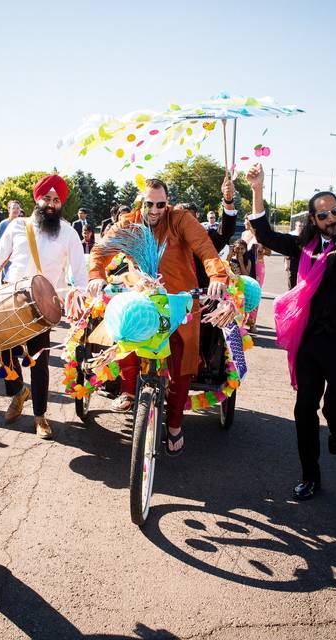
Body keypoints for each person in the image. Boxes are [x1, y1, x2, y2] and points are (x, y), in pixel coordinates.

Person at [244, 157, 336, 500]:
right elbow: (264, 233)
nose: (331, 219)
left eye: (335, 212)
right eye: (323, 215)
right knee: (304, 407)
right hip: (309, 339)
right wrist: (258, 189)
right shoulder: (302, 244)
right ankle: (310, 475)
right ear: (313, 219)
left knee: (335, 406)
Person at [88, 178, 229, 455]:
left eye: (160, 204)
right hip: (141, 298)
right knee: (125, 329)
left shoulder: (180, 219)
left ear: (168, 203)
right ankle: (128, 390)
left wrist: (217, 276)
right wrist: (96, 275)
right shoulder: (129, 223)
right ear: (141, 202)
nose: (154, 210)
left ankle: (174, 424)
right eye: (149, 204)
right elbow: (101, 251)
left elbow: (205, 248)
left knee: (182, 361)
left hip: (179, 303)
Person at [0, 175, 88, 440]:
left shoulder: (69, 233)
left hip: (43, 309)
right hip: (9, 303)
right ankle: (17, 393)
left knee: (40, 362)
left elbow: (80, 276)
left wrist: (77, 297)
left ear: (61, 204)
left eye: (56, 200)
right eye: (46, 198)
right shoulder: (17, 227)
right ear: (37, 199)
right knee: (6, 354)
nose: (50, 204)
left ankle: (40, 416)